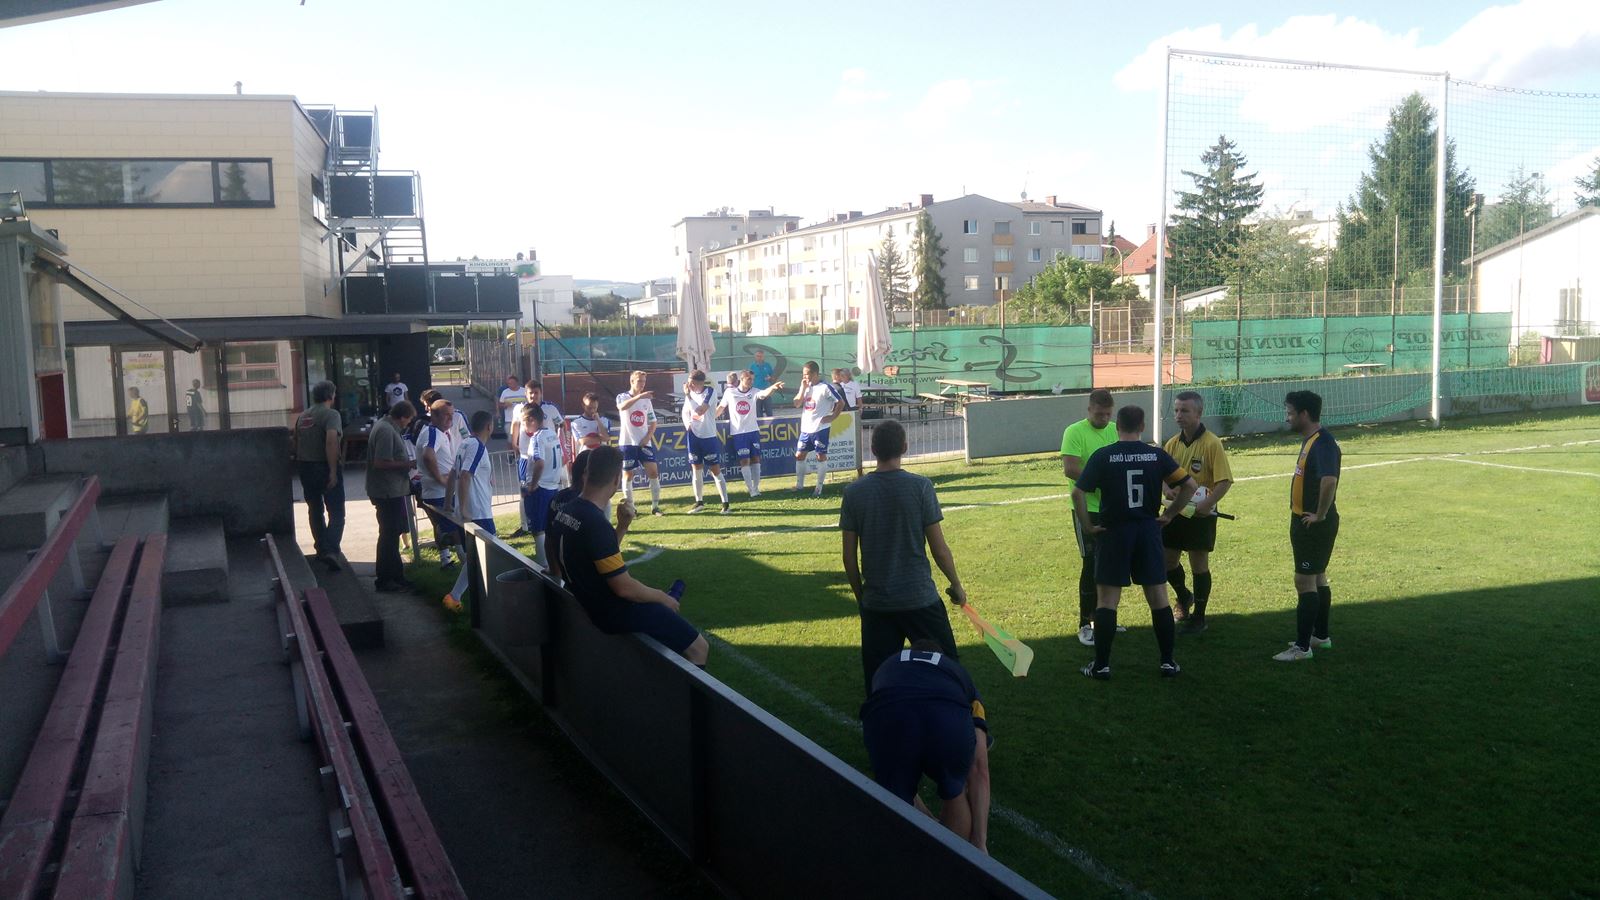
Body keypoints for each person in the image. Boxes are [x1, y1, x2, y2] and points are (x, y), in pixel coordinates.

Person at [550, 445, 710, 665]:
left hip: (586, 601)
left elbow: (594, 557)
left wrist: (622, 527)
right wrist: (663, 598)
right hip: (609, 612)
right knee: (699, 648)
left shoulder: (567, 511)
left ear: (586, 473)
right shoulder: (595, 523)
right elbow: (624, 588)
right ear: (617, 479)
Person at [840, 419, 967, 696]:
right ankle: (958, 716)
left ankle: (881, 719)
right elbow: (939, 549)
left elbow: (848, 557)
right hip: (919, 599)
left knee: (879, 679)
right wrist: (956, 584)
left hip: (877, 603)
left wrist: (862, 598)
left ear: (873, 449)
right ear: (905, 448)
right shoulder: (921, 487)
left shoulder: (853, 493)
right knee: (947, 668)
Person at [1071, 405, 1197, 680]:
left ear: (1117, 426)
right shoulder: (1156, 455)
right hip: (1147, 531)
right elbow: (1190, 486)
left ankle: (1101, 666)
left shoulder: (1103, 455)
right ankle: (1167, 663)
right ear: (1142, 427)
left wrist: (1088, 526)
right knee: (1159, 598)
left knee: (1107, 601)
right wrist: (1170, 514)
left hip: (1114, 533)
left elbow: (1077, 493)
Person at [860, 640, 991, 853]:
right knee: (954, 788)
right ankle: (956, 855)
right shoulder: (957, 673)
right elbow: (979, 767)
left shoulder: (888, 666)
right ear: (941, 658)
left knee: (897, 789)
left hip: (889, 715)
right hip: (945, 721)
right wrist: (980, 840)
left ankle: (917, 848)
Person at [1275, 390, 1342, 662]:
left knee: (1304, 581)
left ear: (1304, 414)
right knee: (1318, 577)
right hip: (1308, 521)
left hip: (1312, 524)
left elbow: (1329, 480)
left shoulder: (1323, 443)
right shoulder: (1313, 440)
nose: (1287, 417)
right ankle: (1320, 636)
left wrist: (1319, 515)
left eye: (1290, 412)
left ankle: (1302, 648)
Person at [1162, 390, 1233, 635]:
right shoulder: (1172, 443)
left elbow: (1224, 481)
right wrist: (1166, 489)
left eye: (1185, 410)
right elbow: (1163, 475)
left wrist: (1207, 504)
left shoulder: (1212, 443)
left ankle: (1199, 617)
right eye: (1176, 410)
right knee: (1166, 560)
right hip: (1175, 512)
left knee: (1198, 563)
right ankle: (1184, 596)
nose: (1178, 415)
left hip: (1201, 513)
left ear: (1199, 413)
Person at [1060, 389, 1117, 647]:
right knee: (1090, 563)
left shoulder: (1116, 430)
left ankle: (1105, 617)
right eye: (1099, 414)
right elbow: (1071, 468)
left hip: (1113, 508)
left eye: (1108, 414)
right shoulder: (1074, 432)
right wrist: (1105, 480)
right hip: (1086, 508)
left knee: (1111, 564)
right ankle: (1085, 622)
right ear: (1089, 410)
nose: (1104, 419)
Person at [443, 410, 497, 612]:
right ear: (489, 427)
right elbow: (464, 475)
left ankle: (459, 597)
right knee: (487, 555)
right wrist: (465, 510)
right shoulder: (477, 447)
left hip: (470, 510)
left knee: (475, 558)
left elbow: (452, 474)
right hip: (478, 512)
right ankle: (460, 597)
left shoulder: (464, 444)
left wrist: (449, 503)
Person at [292, 380, 345, 572]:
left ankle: (321, 548)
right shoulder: (331, 415)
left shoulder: (303, 416)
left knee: (315, 510)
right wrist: (333, 471)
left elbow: (295, 442)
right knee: (337, 512)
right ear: (330, 395)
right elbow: (331, 441)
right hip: (323, 465)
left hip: (305, 467)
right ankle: (330, 549)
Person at [367, 400, 417, 592]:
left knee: (392, 534)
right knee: (389, 536)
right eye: (409, 420)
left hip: (391, 490)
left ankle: (396, 576)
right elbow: (380, 462)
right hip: (387, 491)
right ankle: (385, 579)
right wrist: (408, 464)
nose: (408, 424)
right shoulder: (386, 431)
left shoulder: (386, 426)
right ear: (402, 417)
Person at [717, 369, 783, 498]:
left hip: (753, 431)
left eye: (752, 379)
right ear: (741, 379)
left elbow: (764, 394)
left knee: (756, 459)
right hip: (739, 432)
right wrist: (709, 418)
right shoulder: (730, 392)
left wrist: (773, 387)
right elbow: (721, 408)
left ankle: (756, 488)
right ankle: (750, 489)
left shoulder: (754, 391)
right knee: (744, 460)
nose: (751, 382)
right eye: (749, 379)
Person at [416, 399, 462, 569]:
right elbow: (428, 455)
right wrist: (440, 479)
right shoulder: (433, 433)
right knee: (456, 529)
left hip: (437, 491)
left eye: (452, 415)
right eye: (446, 415)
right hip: (439, 492)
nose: (450, 418)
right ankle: (465, 561)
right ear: (434, 415)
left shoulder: (436, 432)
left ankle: (447, 560)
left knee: (444, 527)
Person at [682, 370, 731, 515]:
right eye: (689, 382)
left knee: (714, 470)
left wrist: (688, 396)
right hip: (693, 436)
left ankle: (726, 504)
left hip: (708, 436)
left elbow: (700, 410)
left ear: (700, 382)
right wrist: (687, 424)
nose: (689, 385)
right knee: (696, 469)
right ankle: (699, 502)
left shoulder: (710, 392)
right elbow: (685, 411)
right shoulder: (690, 394)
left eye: (692, 382)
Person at [793, 361, 844, 497]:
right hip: (806, 428)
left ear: (815, 374)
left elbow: (840, 402)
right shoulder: (806, 387)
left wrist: (832, 417)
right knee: (799, 455)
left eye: (807, 374)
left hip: (820, 428)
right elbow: (796, 403)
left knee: (820, 456)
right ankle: (799, 486)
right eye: (803, 374)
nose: (804, 377)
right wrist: (802, 388)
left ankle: (818, 488)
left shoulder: (825, 387)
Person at [615, 370, 663, 515]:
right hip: (627, 442)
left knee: (653, 472)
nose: (642, 384)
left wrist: (648, 437)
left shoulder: (646, 401)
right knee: (628, 475)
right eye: (639, 381)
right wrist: (640, 396)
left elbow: (653, 421)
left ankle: (655, 507)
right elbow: (622, 407)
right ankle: (631, 508)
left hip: (644, 442)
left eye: (644, 381)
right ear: (632, 381)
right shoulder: (622, 396)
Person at [522, 403, 564, 567]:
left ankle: (543, 565)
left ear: (531, 420)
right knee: (550, 528)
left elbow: (539, 463)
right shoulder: (552, 434)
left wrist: (533, 485)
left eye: (524, 421)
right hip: (553, 487)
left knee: (538, 529)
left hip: (541, 489)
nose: (524, 425)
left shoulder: (537, 438)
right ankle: (554, 562)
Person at [833, 368, 864, 478]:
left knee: (855, 438)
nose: (841, 378)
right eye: (840, 376)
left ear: (847, 376)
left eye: (843, 376)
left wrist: (860, 408)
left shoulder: (854, 384)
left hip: (852, 410)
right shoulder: (838, 385)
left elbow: (859, 397)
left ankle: (859, 470)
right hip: (841, 412)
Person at [569, 391, 612, 455]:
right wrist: (601, 438)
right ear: (583, 405)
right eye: (589, 408)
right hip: (585, 456)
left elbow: (606, 438)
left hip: (601, 456)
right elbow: (583, 441)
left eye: (594, 408)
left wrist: (598, 420)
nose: (592, 410)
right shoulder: (576, 423)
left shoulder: (604, 420)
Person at [750, 348, 776, 417]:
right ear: (755, 356)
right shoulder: (752, 366)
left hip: (767, 391)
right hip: (756, 392)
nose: (759, 358)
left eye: (760, 356)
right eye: (757, 356)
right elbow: (749, 379)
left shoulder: (768, 365)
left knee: (769, 412)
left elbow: (773, 378)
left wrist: (770, 378)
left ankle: (771, 423)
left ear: (763, 357)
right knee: (758, 412)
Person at [499, 374, 523, 446]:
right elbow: (500, 404)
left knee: (521, 439)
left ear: (517, 382)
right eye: (509, 383)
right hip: (509, 420)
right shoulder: (505, 392)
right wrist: (505, 405)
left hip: (523, 419)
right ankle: (510, 452)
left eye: (512, 383)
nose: (510, 385)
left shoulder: (524, 391)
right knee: (511, 439)